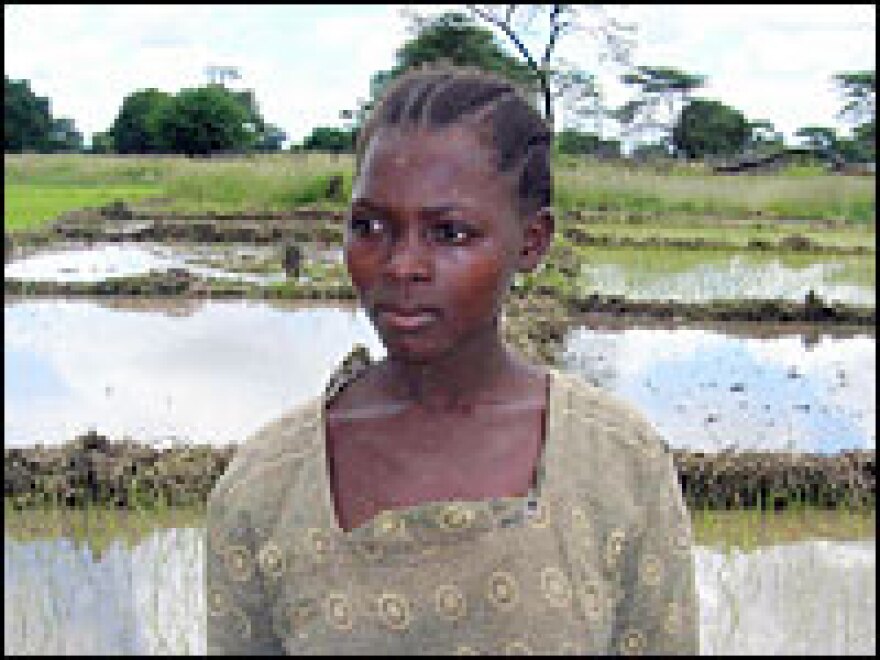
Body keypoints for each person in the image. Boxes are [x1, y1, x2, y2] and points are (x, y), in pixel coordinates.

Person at [206, 64, 699, 655]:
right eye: (370, 226)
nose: (401, 265)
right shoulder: (266, 486)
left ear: (531, 242)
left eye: (450, 233)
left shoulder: (618, 463)